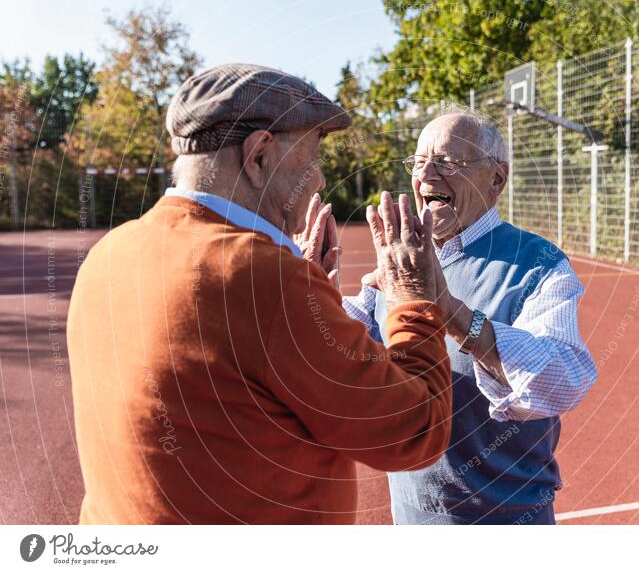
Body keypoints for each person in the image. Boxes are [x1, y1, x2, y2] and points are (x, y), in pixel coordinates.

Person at [66, 64, 453, 524]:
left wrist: (299, 301)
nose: (320, 181)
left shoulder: (109, 254)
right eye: (313, 159)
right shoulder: (263, 279)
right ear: (260, 156)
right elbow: (413, 431)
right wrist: (413, 300)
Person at [344, 109, 598, 524]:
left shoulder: (538, 263)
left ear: (496, 178)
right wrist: (304, 282)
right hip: (411, 516)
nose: (426, 172)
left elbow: (565, 380)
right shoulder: (402, 257)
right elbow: (341, 348)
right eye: (419, 161)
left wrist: (451, 311)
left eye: (446, 161)